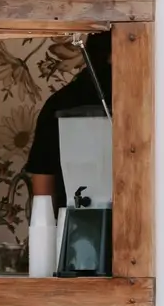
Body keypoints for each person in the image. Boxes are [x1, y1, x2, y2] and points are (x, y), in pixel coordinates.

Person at [22, 31, 113, 210]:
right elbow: (43, 182)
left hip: (73, 224)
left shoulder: (59, 103)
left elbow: (43, 186)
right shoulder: (61, 104)